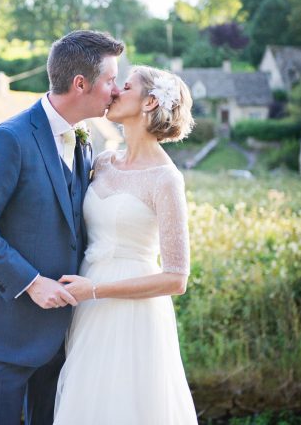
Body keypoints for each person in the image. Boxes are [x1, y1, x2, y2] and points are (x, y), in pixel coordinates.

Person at [0, 30, 124, 425]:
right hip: (4, 331)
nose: (116, 90)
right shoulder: (8, 139)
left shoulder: (83, 141)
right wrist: (31, 283)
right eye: (111, 80)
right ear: (80, 84)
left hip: (62, 335)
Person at [53, 66, 198, 424]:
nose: (115, 91)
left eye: (127, 86)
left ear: (149, 102)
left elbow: (176, 278)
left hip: (131, 311)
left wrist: (96, 290)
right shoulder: (103, 162)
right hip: (87, 305)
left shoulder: (165, 179)